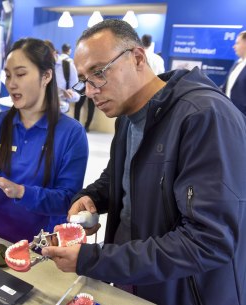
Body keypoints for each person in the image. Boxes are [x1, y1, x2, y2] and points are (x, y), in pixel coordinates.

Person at [41, 19, 246, 305]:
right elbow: (121, 174)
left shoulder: (204, 117)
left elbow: (209, 241)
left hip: (184, 292)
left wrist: (96, 258)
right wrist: (91, 196)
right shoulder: (128, 116)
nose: (89, 91)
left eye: (98, 73)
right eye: (84, 79)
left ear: (137, 57)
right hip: (134, 277)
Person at [0, 38, 88, 243]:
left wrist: (21, 192)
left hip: (47, 248)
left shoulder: (72, 133)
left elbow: (67, 199)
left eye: (21, 74)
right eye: (8, 75)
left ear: (46, 75)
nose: (11, 84)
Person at [45, 40, 80, 114]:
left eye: (48, 58)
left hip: (60, 113)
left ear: (54, 53)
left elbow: (77, 95)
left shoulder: (68, 66)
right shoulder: (40, 66)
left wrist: (70, 94)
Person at [224, 31, 246, 116]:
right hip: (230, 116)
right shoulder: (237, 64)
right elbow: (227, 88)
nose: (234, 46)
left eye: (237, 43)